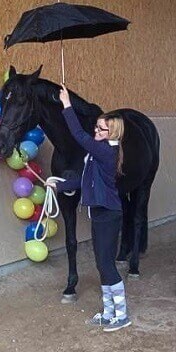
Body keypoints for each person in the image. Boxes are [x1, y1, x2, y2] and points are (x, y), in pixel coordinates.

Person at [47, 85, 131, 332]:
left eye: (100, 129)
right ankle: (108, 313)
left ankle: (122, 314)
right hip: (99, 213)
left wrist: (67, 105)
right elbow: (84, 180)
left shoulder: (106, 151)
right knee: (101, 263)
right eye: (95, 127)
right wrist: (60, 185)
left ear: (111, 132)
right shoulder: (99, 153)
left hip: (108, 214)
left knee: (107, 265)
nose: (94, 131)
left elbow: (78, 135)